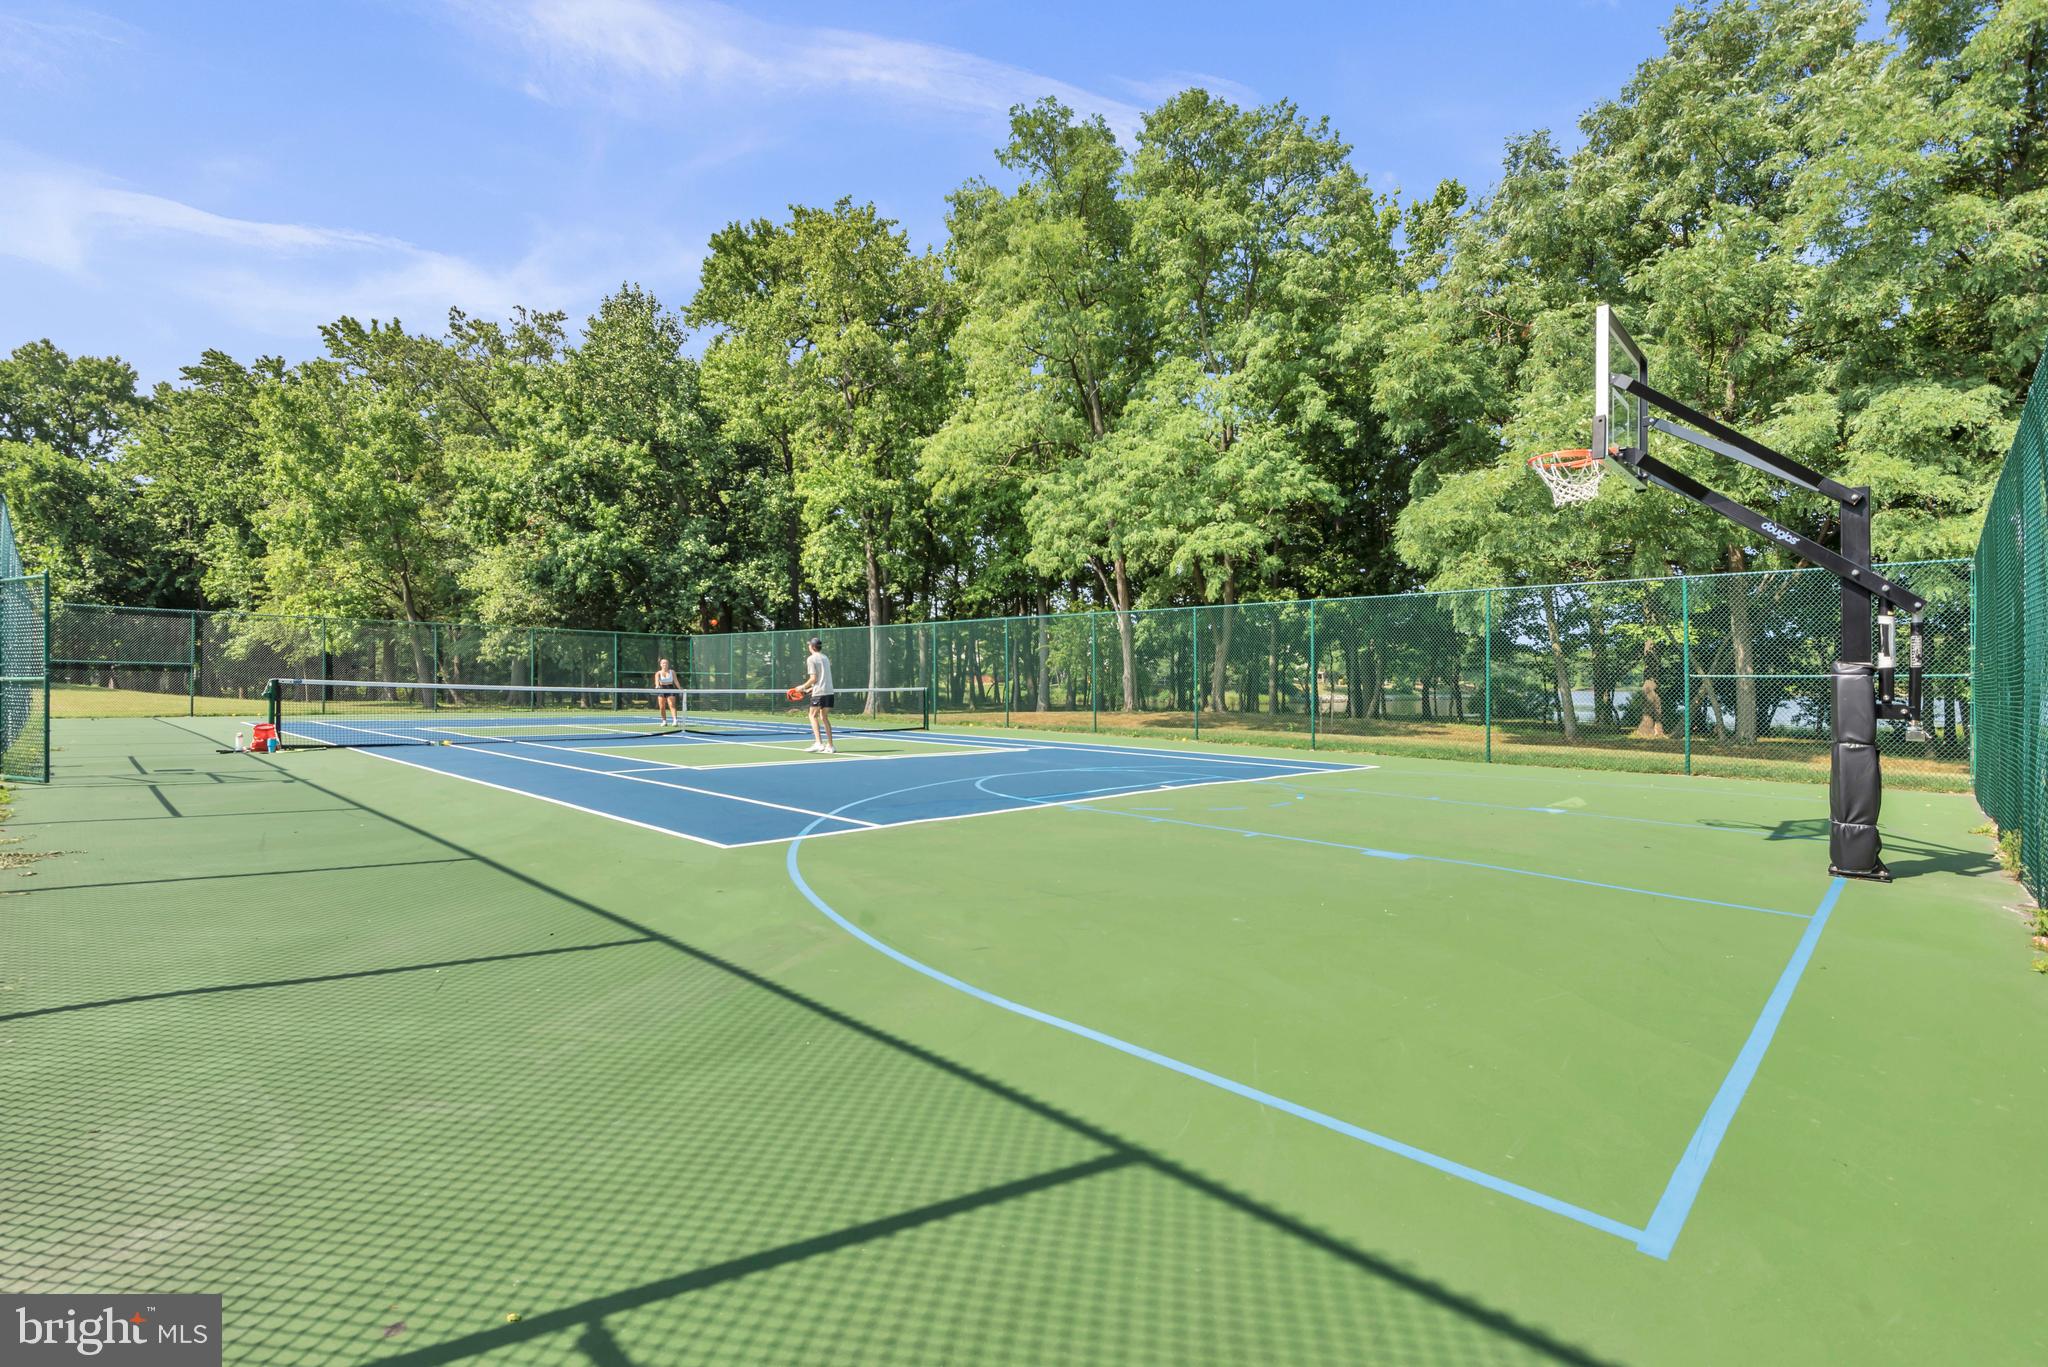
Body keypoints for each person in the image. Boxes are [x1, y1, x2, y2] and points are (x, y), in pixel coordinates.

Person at [795, 637, 835, 754]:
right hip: (829, 692)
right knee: (824, 717)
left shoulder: (811, 659)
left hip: (819, 693)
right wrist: (809, 689)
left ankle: (818, 743)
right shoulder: (825, 658)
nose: (808, 647)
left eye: (809, 645)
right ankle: (831, 746)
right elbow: (823, 679)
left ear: (812, 647)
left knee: (812, 715)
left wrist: (802, 687)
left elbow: (814, 678)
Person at [652, 658, 682, 728]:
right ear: (661, 664)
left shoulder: (672, 672)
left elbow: (676, 681)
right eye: (663, 663)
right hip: (661, 689)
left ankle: (675, 721)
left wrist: (679, 688)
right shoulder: (658, 673)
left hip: (670, 688)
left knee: (672, 705)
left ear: (668, 664)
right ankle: (664, 721)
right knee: (662, 706)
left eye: (666, 663)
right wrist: (657, 686)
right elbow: (656, 682)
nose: (665, 664)